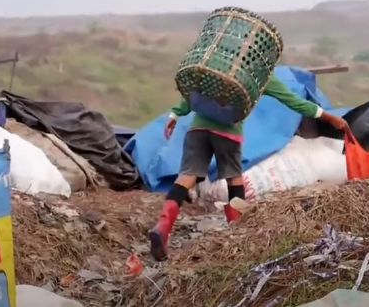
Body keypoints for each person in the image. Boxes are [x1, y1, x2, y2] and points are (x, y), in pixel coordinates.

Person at [148, 75, 351, 261]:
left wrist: (175, 114)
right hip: (227, 133)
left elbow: (193, 97)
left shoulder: (216, 69)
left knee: (187, 177)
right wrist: (329, 117)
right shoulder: (258, 75)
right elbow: (294, 101)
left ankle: (163, 227)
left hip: (198, 129)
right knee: (234, 179)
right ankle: (236, 233)